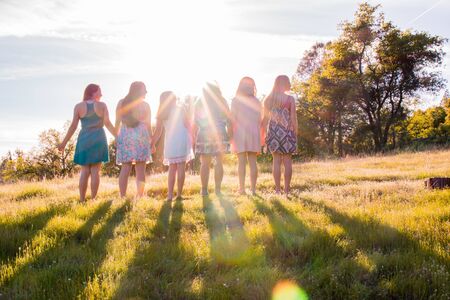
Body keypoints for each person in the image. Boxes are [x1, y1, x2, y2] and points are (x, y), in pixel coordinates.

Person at [58, 83, 116, 202]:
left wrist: (64, 143)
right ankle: (93, 199)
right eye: (99, 91)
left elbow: (73, 126)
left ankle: (82, 199)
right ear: (93, 92)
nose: (101, 94)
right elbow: (108, 123)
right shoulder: (102, 105)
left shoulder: (78, 106)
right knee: (95, 170)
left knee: (84, 171)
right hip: (98, 138)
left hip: (84, 138)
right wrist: (118, 137)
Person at [152, 91, 194, 201]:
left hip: (170, 142)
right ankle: (179, 195)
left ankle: (170, 195)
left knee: (172, 169)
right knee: (181, 168)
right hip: (182, 139)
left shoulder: (162, 113)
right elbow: (187, 124)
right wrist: (193, 137)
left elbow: (158, 131)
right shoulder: (181, 108)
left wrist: (151, 143)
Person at [115, 81, 152, 198]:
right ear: (139, 91)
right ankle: (140, 196)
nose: (146, 92)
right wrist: (151, 141)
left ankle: (122, 196)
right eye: (144, 89)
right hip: (141, 136)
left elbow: (117, 122)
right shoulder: (145, 105)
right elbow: (148, 125)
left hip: (125, 135)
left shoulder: (122, 103)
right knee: (140, 169)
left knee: (125, 167)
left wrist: (116, 137)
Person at [194, 81, 231, 196]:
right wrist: (229, 134)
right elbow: (228, 118)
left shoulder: (200, 101)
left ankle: (204, 190)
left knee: (204, 163)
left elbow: (196, 119)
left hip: (204, 132)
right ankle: (218, 190)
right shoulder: (223, 101)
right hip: (220, 133)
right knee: (219, 162)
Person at [262, 75, 298, 195]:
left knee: (276, 161)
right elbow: (293, 118)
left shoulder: (269, 99)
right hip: (287, 132)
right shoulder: (290, 99)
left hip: (273, 133)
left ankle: (277, 190)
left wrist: (262, 135)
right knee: (287, 161)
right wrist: (296, 133)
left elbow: (265, 120)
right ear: (286, 83)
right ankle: (287, 190)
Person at [231, 77, 262, 195]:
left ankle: (242, 189)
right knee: (253, 162)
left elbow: (232, 118)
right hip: (253, 132)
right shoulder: (257, 101)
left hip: (240, 131)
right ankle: (253, 190)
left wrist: (231, 133)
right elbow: (259, 119)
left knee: (241, 162)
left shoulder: (235, 100)